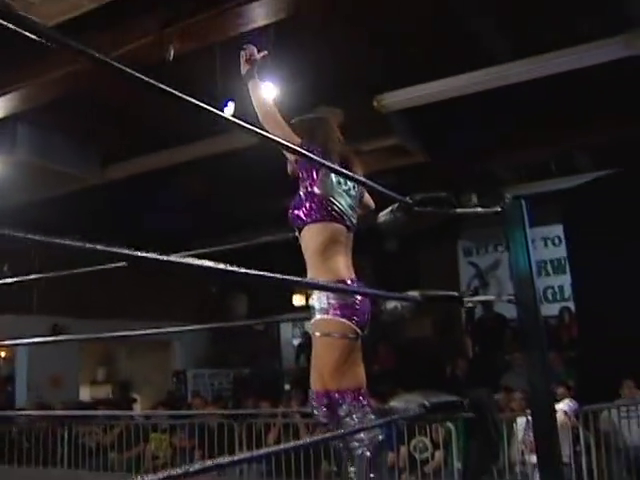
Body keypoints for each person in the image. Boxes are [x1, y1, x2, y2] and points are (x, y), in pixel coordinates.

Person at [241, 44, 381, 478]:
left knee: (338, 405)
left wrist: (251, 78)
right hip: (337, 296)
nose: (287, 158)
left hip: (336, 297)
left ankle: (370, 471)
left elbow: (270, 122)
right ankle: (360, 471)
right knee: (331, 401)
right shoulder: (343, 181)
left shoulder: (314, 168)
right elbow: (370, 205)